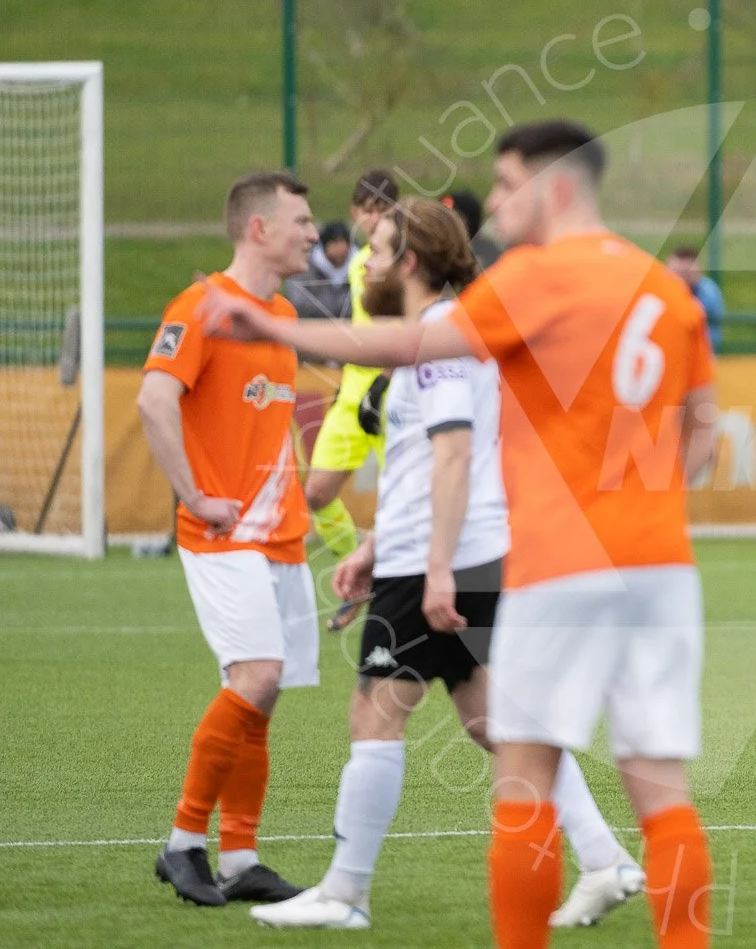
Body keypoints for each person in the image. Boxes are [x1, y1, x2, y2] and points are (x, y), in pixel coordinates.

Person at [204, 119, 719, 949]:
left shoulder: (537, 278)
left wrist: (275, 330)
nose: (497, 203)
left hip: (556, 563)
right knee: (662, 790)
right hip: (659, 566)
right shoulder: (665, 288)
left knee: (522, 776)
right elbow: (702, 444)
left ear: (553, 189)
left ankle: (395, 901)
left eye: (507, 185)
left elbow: (411, 343)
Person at [249, 198, 643, 931]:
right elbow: (423, 462)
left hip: (444, 560)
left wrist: (430, 569)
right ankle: (603, 859)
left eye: (380, 247)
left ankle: (344, 892)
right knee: (497, 722)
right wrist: (372, 546)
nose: (365, 259)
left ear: (413, 262)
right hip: (445, 553)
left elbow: (456, 453)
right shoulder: (440, 337)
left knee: (375, 710)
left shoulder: (443, 339)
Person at [137, 170, 320, 907]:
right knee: (257, 677)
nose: (314, 232)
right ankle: (183, 844)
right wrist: (193, 494)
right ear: (260, 229)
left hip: (279, 538)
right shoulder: (202, 306)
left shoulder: (274, 317)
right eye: (303, 221)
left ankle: (241, 858)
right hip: (223, 535)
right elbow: (155, 400)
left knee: (261, 697)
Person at [308, 169, 400, 631]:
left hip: (394, 395)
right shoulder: (362, 258)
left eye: (382, 210)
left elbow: (403, 330)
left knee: (402, 505)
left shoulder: (404, 259)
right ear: (355, 213)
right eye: (367, 210)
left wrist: (385, 382)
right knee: (317, 493)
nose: (374, 218)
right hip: (351, 396)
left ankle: (405, 600)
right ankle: (360, 574)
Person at [284, 221, 352, 323]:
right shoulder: (305, 266)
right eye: (335, 244)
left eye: (343, 244)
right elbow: (297, 300)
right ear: (324, 246)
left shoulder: (360, 265)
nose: (340, 250)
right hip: (310, 328)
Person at [666, 245, 725, 353]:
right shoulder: (661, 291)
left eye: (687, 273)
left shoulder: (708, 292)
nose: (683, 278)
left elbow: (712, 335)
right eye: (679, 273)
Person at [442, 188, 504, 270]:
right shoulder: (438, 249)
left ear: (468, 223)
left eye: (450, 219)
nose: (442, 223)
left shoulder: (486, 256)